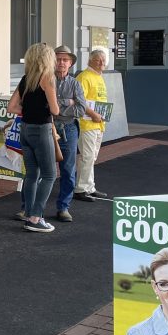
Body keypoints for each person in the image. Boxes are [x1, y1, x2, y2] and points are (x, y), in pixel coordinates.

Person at [7, 42, 61, 232]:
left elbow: (11, 107)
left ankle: (28, 214)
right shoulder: (47, 78)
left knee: (31, 174)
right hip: (41, 129)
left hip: (25, 129)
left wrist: (29, 110)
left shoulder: (26, 79)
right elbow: (55, 109)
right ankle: (36, 218)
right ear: (47, 59)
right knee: (49, 175)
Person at [51, 45, 104, 223]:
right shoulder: (45, 81)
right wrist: (68, 102)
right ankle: (31, 209)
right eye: (58, 59)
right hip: (47, 127)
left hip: (69, 129)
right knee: (41, 169)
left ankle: (63, 207)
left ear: (71, 63)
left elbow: (81, 109)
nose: (61, 63)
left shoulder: (75, 83)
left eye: (65, 60)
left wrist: (57, 107)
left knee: (68, 169)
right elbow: (45, 107)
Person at [75, 48, 109, 202]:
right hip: (87, 123)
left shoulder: (99, 77)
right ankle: (80, 189)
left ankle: (90, 187)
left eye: (103, 60)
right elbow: (79, 101)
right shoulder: (84, 77)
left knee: (92, 157)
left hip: (98, 124)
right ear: (90, 61)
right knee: (87, 156)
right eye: (98, 60)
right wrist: (93, 114)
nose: (101, 62)